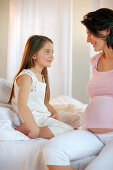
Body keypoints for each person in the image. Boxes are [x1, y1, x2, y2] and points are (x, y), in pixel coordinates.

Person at [43, 8, 113, 170]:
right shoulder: (95, 61)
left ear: (106, 31)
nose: (88, 39)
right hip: (92, 133)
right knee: (53, 149)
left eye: (91, 34)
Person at [8, 35, 74, 139]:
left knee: (74, 122)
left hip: (41, 116)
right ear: (34, 55)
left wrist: (55, 112)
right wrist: (34, 128)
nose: (51, 56)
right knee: (68, 130)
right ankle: (26, 128)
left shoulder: (42, 76)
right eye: (47, 52)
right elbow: (22, 105)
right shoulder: (26, 76)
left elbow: (44, 102)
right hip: (31, 117)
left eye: (52, 52)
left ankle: (31, 128)